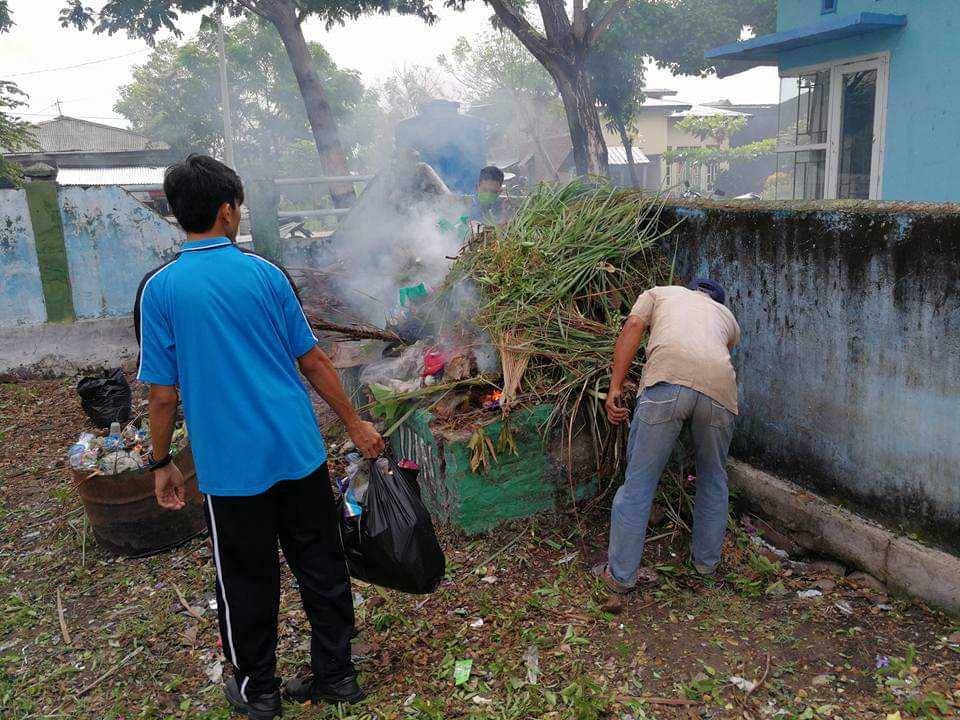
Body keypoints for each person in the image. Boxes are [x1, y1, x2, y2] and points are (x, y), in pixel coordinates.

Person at [135, 154, 384, 719]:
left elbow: (162, 395)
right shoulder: (266, 275)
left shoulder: (162, 290)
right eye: (238, 206)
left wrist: (161, 462)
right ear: (226, 211)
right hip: (297, 451)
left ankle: (259, 692)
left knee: (245, 579)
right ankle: (336, 676)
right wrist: (353, 421)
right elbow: (314, 360)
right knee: (321, 564)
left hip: (231, 468)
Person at [595, 279, 741, 593]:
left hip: (667, 381)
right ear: (718, 301)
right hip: (721, 395)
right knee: (714, 479)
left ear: (689, 290)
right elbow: (715, 358)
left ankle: (619, 576)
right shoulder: (728, 318)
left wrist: (615, 387)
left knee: (639, 482)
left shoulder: (660, 293)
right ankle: (706, 565)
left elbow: (634, 324)